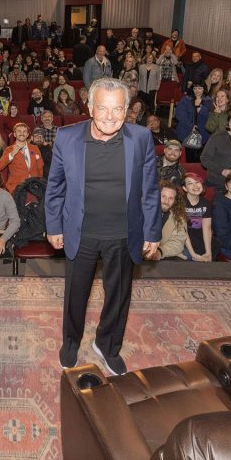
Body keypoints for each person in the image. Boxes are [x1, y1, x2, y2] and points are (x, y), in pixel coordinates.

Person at [46, 77, 161, 375]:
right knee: (76, 294)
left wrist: (152, 231)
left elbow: (150, 190)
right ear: (90, 107)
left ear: (127, 110)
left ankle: (107, 345)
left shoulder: (141, 138)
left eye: (118, 109)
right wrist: (54, 226)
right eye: (103, 108)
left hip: (124, 232)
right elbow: (55, 187)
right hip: (80, 231)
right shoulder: (66, 137)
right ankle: (70, 343)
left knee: (119, 295)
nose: (110, 117)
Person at [0, 122, 44, 192]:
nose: (22, 133)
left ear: (27, 135)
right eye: (19, 131)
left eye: (24, 131)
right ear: (15, 134)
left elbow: (40, 168)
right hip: (17, 187)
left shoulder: (35, 148)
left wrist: (39, 183)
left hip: (34, 186)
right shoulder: (9, 149)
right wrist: (12, 154)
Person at [175, 82, 212, 162]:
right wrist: (191, 126)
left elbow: (210, 116)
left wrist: (201, 109)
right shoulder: (186, 99)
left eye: (200, 88)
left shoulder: (209, 100)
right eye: (195, 88)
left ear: (204, 89)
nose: (197, 91)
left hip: (202, 132)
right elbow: (179, 114)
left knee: (199, 159)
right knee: (185, 158)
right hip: (186, 130)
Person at [182, 173, 214, 261]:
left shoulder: (206, 204)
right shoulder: (180, 203)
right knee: (188, 256)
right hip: (184, 240)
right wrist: (193, 255)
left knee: (209, 254)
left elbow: (207, 229)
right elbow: (183, 231)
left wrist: (208, 253)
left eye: (197, 182)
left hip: (199, 239)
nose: (195, 185)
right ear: (185, 188)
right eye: (190, 183)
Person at [152, 183, 189, 260]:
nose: (166, 201)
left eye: (171, 198)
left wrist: (160, 251)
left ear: (175, 201)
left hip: (164, 253)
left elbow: (177, 243)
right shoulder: (142, 211)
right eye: (163, 196)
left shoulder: (178, 217)